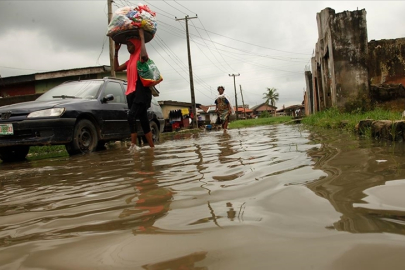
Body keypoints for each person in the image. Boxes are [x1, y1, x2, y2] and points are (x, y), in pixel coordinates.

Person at [114, 29, 154, 151]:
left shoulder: (140, 58)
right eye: (127, 45)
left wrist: (142, 38)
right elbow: (116, 68)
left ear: (136, 44)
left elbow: (144, 56)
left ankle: (133, 145)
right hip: (131, 93)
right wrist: (116, 52)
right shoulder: (130, 60)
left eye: (130, 44)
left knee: (131, 116)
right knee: (143, 120)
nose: (128, 47)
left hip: (141, 93)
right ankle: (152, 148)